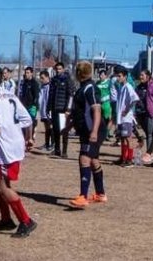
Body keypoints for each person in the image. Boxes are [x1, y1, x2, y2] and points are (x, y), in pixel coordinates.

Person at [0, 65, 37, 238]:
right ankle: (6, 219)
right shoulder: (10, 94)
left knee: (2, 186)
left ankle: (26, 221)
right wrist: (28, 138)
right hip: (14, 142)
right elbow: (27, 118)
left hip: (5, 147)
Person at [66, 61, 106, 208]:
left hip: (93, 130)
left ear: (79, 73)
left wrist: (94, 131)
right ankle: (101, 194)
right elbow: (79, 111)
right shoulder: (81, 88)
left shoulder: (90, 88)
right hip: (85, 130)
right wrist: (69, 126)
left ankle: (83, 196)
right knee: (94, 160)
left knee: (84, 158)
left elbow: (97, 110)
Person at [111, 66, 139, 166]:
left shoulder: (128, 87)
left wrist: (127, 110)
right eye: (117, 76)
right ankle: (123, 158)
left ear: (125, 76)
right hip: (121, 118)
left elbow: (135, 99)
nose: (118, 78)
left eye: (119, 76)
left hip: (127, 118)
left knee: (128, 138)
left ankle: (129, 159)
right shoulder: (121, 87)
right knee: (122, 138)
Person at [48, 62, 74, 158]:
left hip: (63, 110)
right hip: (55, 109)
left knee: (64, 131)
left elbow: (71, 95)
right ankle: (57, 149)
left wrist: (68, 109)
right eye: (57, 69)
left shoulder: (68, 80)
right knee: (55, 130)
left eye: (60, 69)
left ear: (63, 69)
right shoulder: (54, 80)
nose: (58, 71)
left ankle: (64, 151)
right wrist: (48, 107)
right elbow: (50, 95)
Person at [134, 70, 153, 160]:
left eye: (142, 75)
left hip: (151, 113)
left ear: (148, 76)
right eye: (140, 75)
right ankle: (151, 152)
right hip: (140, 113)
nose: (140, 77)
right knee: (147, 133)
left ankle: (149, 154)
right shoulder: (138, 87)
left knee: (150, 134)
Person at [18, 66, 41, 145]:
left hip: (32, 106)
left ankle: (31, 138)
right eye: (25, 73)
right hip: (24, 106)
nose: (26, 74)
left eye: (28, 73)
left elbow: (36, 96)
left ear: (31, 73)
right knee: (24, 123)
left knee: (31, 123)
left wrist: (34, 106)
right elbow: (22, 94)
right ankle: (25, 139)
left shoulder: (35, 83)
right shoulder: (24, 83)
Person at [36, 70, 52, 152]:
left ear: (47, 77)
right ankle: (46, 143)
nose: (41, 80)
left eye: (42, 78)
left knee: (50, 127)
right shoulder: (42, 87)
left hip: (49, 111)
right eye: (40, 78)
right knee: (46, 128)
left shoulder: (51, 86)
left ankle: (52, 144)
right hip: (43, 110)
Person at [96, 69, 112, 142]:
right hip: (99, 104)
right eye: (100, 75)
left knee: (108, 119)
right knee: (100, 119)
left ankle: (107, 133)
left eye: (102, 75)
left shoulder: (109, 83)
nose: (101, 76)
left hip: (107, 104)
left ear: (106, 76)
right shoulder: (97, 83)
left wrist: (107, 98)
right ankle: (102, 133)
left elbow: (112, 92)